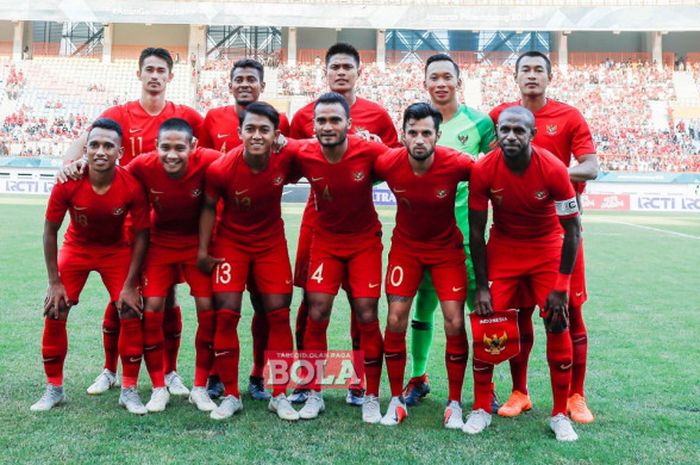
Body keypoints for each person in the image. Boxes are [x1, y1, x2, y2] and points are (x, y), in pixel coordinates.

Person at [61, 47, 203, 397]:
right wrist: (68, 163)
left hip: (168, 225)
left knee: (166, 299)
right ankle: (110, 370)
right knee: (121, 299)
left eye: (161, 71)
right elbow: (82, 142)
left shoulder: (185, 115)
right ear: (139, 75)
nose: (155, 76)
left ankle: (170, 373)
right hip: (125, 224)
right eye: (149, 69)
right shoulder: (119, 114)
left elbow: (209, 152)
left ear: (170, 77)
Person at [489, 51, 598, 424]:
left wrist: (552, 173)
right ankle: (520, 392)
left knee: (568, 312)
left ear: (549, 77)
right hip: (514, 235)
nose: (532, 75)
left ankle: (575, 395)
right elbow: (487, 161)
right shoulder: (501, 116)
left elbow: (591, 166)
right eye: (525, 70)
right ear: (516, 77)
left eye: (539, 70)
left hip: (560, 233)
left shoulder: (569, 116)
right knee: (518, 315)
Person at [289, 42, 398, 406]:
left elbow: (393, 163)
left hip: (358, 218)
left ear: (358, 72)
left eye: (346, 67)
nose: (340, 72)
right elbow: (289, 159)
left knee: (361, 305)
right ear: (325, 72)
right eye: (333, 66)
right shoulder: (304, 114)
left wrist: (362, 164)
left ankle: (359, 382)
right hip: (316, 219)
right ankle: (307, 381)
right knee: (311, 301)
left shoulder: (377, 116)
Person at [466, 107, 581, 441]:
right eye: (505, 130)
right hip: (504, 250)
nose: (511, 136)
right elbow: (476, 233)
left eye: (519, 130)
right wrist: (482, 287)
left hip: (545, 249)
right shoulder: (484, 168)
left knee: (557, 323)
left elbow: (572, 232)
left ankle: (560, 414)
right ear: (497, 133)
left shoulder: (554, 169)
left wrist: (561, 285)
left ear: (533, 135)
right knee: (485, 324)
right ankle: (480, 407)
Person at [32, 118, 150, 414]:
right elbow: (49, 231)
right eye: (94, 145)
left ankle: (129, 390)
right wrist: (54, 281)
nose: (100, 151)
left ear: (119, 151)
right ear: (85, 149)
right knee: (55, 308)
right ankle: (54, 389)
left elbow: (141, 236)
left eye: (108, 146)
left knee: (130, 310)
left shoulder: (131, 186)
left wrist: (131, 284)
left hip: (115, 252)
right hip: (77, 249)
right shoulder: (68, 182)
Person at [403, 53, 496, 407]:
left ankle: (485, 387)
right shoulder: (415, 122)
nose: (440, 83)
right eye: (434, 77)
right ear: (425, 82)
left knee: (479, 310)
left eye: (447, 77)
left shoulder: (480, 124)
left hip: (466, 237)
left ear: (459, 81)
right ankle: (418, 376)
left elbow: (491, 173)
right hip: (422, 237)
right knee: (422, 306)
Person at [197, 102, 300, 421]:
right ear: (240, 132)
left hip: (271, 244)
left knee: (279, 315)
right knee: (226, 316)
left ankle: (280, 395)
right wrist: (203, 249)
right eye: (250, 129)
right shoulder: (221, 168)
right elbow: (209, 207)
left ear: (275, 135)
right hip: (232, 244)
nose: (256, 135)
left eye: (264, 130)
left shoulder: (287, 158)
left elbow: (317, 155)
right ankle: (231, 395)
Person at [374, 103, 473, 429]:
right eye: (412, 132)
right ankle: (396, 400)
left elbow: (491, 172)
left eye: (426, 133)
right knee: (395, 318)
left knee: (455, 321)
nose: (419, 139)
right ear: (403, 135)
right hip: (406, 251)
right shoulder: (388, 162)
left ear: (437, 136)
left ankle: (455, 404)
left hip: (446, 251)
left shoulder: (456, 163)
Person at [125, 118, 221, 413]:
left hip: (197, 244)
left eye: (180, 148)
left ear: (193, 146)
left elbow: (242, 163)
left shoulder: (210, 160)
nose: (172, 154)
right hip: (160, 243)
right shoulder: (142, 164)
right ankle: (158, 387)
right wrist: (75, 164)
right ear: (155, 147)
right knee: (152, 309)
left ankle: (200, 387)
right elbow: (113, 176)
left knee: (208, 310)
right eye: (165, 147)